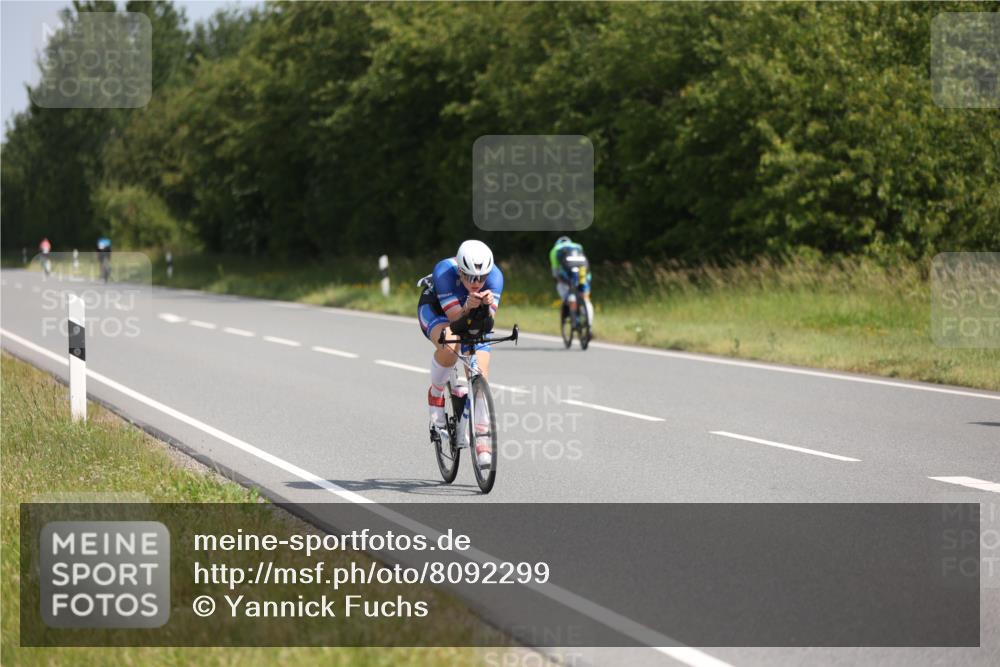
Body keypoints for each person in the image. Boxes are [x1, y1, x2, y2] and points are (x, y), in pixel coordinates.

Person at [417, 240, 504, 469]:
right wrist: (467, 307)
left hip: (468, 314)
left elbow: (485, 324)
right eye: (469, 278)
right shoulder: (444, 271)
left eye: (481, 278)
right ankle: (436, 395)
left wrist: (485, 307)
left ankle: (483, 441)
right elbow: (456, 321)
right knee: (451, 343)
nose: (476, 283)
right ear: (460, 271)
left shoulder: (495, 278)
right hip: (436, 310)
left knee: (481, 374)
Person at [549, 236, 592, 324]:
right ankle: (589, 323)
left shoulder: (555, 250)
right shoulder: (578, 246)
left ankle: (574, 318)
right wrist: (587, 279)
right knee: (585, 297)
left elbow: (555, 272)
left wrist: (559, 280)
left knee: (568, 292)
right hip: (583, 270)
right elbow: (585, 263)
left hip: (569, 271)